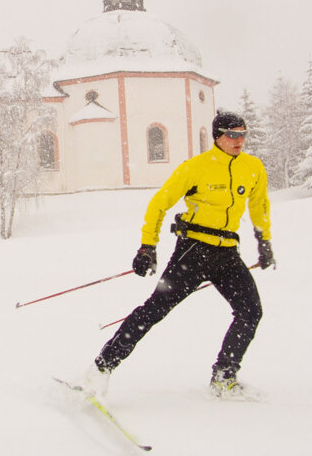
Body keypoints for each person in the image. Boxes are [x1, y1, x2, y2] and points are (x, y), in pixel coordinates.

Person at [85, 111, 276, 398]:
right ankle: (100, 370)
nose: (239, 140)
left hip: (227, 254)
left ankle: (224, 377)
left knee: (251, 311)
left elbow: (259, 205)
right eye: (232, 135)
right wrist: (147, 247)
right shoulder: (195, 168)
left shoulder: (253, 168)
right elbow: (158, 205)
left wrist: (264, 240)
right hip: (193, 253)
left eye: (243, 134)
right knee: (154, 311)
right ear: (218, 137)